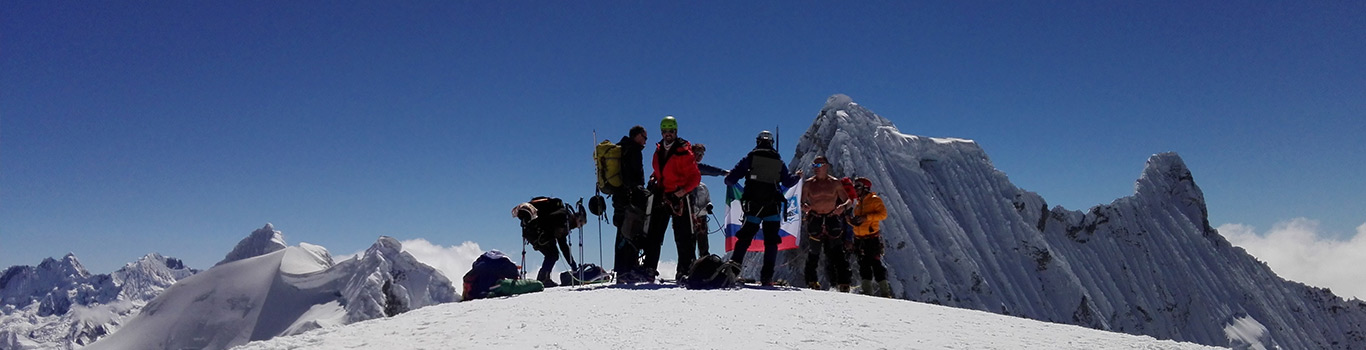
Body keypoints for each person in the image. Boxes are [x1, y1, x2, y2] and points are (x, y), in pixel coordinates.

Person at [724, 130, 801, 286]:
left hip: (753, 206)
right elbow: (787, 182)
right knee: (771, 242)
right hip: (772, 207)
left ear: (757, 142)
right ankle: (767, 277)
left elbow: (730, 180)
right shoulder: (779, 162)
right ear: (772, 143)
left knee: (745, 238)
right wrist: (798, 176)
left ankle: (733, 271)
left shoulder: (750, 158)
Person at [644, 116, 702, 280]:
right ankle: (649, 269)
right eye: (665, 131)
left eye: (671, 131)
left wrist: (681, 193)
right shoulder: (659, 149)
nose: (668, 134)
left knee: (683, 236)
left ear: (675, 132)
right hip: (663, 195)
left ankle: (684, 271)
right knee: (654, 234)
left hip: (679, 198)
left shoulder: (684, 151)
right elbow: (661, 169)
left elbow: (695, 177)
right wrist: (654, 177)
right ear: (662, 132)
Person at [800, 156, 853, 292]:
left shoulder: (835, 183)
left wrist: (843, 207)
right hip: (815, 218)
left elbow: (848, 201)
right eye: (814, 165)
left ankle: (844, 282)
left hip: (832, 218)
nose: (816, 168)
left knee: (837, 252)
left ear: (826, 166)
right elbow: (800, 201)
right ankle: (812, 281)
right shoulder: (808, 184)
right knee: (814, 252)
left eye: (819, 165)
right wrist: (804, 206)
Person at [512, 197, 583, 287]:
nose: (579, 226)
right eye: (581, 223)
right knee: (552, 254)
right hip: (537, 232)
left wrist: (573, 265)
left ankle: (543, 277)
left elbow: (563, 245)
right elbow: (563, 245)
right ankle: (544, 278)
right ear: (577, 218)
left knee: (552, 254)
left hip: (533, 232)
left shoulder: (564, 218)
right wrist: (573, 266)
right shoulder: (564, 217)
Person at [612, 126, 652, 283]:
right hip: (629, 199)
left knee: (622, 233)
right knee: (629, 234)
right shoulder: (633, 150)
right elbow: (633, 177)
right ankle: (625, 271)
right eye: (644, 137)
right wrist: (641, 191)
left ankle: (622, 271)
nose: (645, 141)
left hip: (619, 198)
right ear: (637, 136)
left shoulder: (621, 147)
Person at [850, 177, 891, 297]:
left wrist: (866, 217)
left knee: (876, 264)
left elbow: (883, 214)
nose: (855, 189)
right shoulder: (859, 203)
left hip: (871, 238)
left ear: (865, 188)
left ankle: (885, 291)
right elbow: (859, 221)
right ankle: (867, 290)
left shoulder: (874, 200)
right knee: (863, 265)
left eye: (857, 186)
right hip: (859, 238)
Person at [688, 143, 717, 257]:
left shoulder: (703, 187)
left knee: (703, 244)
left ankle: (704, 264)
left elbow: (708, 200)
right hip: (688, 218)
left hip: (702, 219)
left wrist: (709, 206)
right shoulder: (684, 184)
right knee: (689, 244)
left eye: (702, 154)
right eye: (697, 153)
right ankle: (688, 267)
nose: (700, 156)